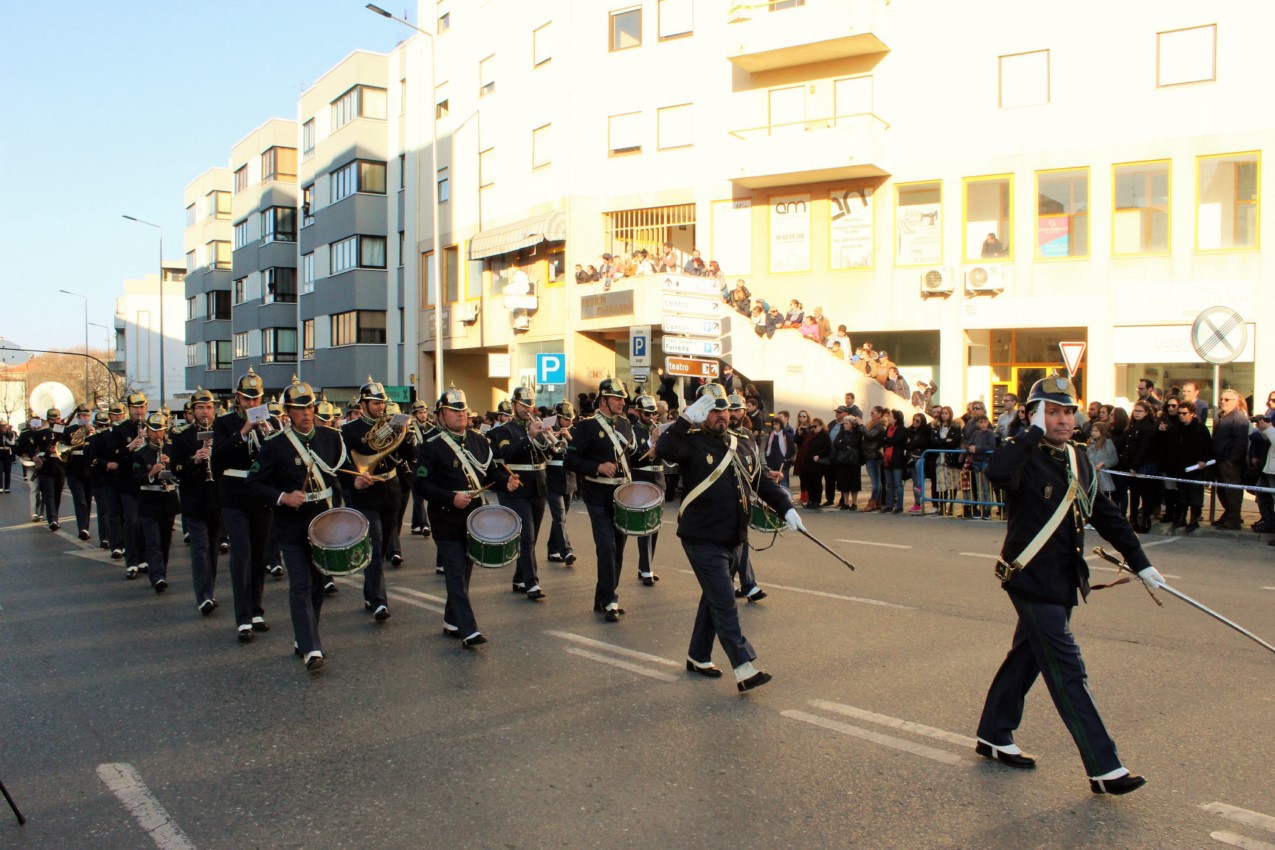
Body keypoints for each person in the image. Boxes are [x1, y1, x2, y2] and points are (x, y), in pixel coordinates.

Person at [976, 375, 1158, 796]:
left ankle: (993, 733)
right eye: (1052, 411)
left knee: (1027, 657)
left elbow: (1106, 515)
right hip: (1029, 579)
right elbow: (997, 473)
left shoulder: (1078, 459)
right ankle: (1104, 768)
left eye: (1067, 412)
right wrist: (1030, 431)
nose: (1063, 420)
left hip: (1062, 581)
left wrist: (1142, 563)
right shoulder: (1021, 453)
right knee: (1067, 669)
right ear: (1034, 414)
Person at [656, 383, 800, 692]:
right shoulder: (689, 443)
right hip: (702, 537)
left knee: (713, 598)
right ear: (701, 414)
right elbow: (664, 449)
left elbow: (759, 480)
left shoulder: (742, 442)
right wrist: (683, 420)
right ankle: (744, 667)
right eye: (712, 410)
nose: (720, 416)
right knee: (724, 601)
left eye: (723, 409)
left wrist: (786, 508)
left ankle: (698, 656)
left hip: (734, 536)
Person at [246, 378, 349, 671]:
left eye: (309, 407)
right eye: (298, 409)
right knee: (301, 584)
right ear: (287, 412)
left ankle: (305, 637)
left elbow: (339, 473)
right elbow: (254, 484)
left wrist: (358, 480)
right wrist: (281, 497)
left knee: (317, 584)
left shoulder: (331, 438)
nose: (306, 414)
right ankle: (312, 647)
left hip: (324, 522)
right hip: (292, 524)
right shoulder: (275, 445)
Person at [415, 385, 516, 647]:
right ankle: (468, 629)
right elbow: (421, 485)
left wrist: (507, 482)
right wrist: (451, 497)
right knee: (456, 573)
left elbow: (493, 473)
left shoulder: (480, 441)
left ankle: (451, 621)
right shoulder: (431, 446)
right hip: (446, 516)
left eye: (463, 410)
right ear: (441, 415)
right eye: (453, 411)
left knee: (465, 571)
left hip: (475, 517)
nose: (461, 415)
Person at [212, 368, 275, 642]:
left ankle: (256, 609)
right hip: (234, 497)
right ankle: (242, 618)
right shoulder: (225, 423)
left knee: (260, 554)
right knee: (241, 555)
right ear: (238, 399)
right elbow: (219, 459)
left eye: (256, 399)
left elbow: (276, 460)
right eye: (247, 400)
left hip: (259, 497)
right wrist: (244, 431)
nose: (252, 405)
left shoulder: (269, 423)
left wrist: (270, 436)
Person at [564, 378, 635, 622]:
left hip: (621, 496)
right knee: (607, 548)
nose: (622, 402)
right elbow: (570, 461)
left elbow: (632, 459)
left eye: (623, 398)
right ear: (603, 400)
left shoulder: (626, 425)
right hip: (597, 496)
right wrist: (597, 467)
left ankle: (603, 596)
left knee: (619, 549)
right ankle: (610, 600)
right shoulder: (587, 427)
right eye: (617, 398)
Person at [340, 377, 400, 623]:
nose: (380, 407)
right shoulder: (349, 430)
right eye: (375, 403)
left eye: (382, 402)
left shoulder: (392, 425)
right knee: (374, 547)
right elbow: (341, 465)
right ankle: (379, 601)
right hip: (366, 492)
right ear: (363, 404)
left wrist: (407, 436)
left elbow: (407, 455)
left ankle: (369, 592)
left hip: (390, 488)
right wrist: (353, 481)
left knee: (384, 544)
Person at [488, 386, 552, 601]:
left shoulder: (536, 425)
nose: (527, 409)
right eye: (523, 405)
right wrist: (529, 438)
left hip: (538, 485)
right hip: (519, 486)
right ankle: (532, 583)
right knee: (527, 536)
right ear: (514, 404)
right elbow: (506, 454)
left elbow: (549, 454)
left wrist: (548, 438)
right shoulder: (506, 430)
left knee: (531, 539)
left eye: (530, 404)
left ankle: (519, 577)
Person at [169, 388, 222, 614]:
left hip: (217, 498)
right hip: (194, 498)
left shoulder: (222, 432)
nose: (205, 412)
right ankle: (203, 596)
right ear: (192, 411)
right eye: (200, 408)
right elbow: (175, 467)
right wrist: (194, 460)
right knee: (200, 547)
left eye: (209, 407)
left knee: (213, 548)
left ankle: (209, 590)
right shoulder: (182, 434)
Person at [132, 411, 179, 594]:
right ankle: (156, 576)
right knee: (153, 541)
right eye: (154, 431)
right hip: (149, 500)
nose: (157, 434)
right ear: (147, 431)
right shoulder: (140, 453)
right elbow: (136, 478)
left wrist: (172, 464)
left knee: (165, 541)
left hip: (168, 499)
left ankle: (162, 573)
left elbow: (181, 472)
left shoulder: (171, 449)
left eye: (160, 430)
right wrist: (151, 473)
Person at [630, 395, 664, 587]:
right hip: (642, 480)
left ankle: (646, 564)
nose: (651, 416)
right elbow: (634, 457)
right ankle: (646, 568)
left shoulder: (658, 430)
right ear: (638, 411)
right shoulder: (634, 430)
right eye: (647, 413)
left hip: (659, 479)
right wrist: (651, 442)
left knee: (655, 525)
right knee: (645, 527)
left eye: (653, 413)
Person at [1168, 402, 1212, 532]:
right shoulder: (1176, 428)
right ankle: (1181, 518)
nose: (1181, 416)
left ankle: (1194, 520)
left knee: (1194, 495)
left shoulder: (1200, 428)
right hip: (1180, 467)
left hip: (1195, 468)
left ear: (1192, 413)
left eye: (1184, 413)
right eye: (1179, 413)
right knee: (1182, 495)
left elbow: (1208, 447)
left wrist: (1203, 461)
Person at [544, 401, 578, 566]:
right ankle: (566, 551)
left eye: (571, 418)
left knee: (561, 519)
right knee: (559, 516)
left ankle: (553, 549)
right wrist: (551, 436)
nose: (569, 422)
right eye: (566, 419)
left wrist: (569, 438)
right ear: (557, 417)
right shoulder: (548, 428)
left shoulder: (574, 431)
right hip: (552, 478)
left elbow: (580, 451)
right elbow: (545, 452)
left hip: (569, 479)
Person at [1211, 389, 1249, 529]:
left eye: (1227, 400)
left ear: (1236, 402)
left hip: (1230, 463)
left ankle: (1233, 519)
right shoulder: (1221, 416)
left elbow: (1241, 442)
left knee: (1231, 492)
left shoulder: (1238, 418)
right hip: (1219, 461)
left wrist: (1232, 461)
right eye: (1222, 399)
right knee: (1222, 491)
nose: (1223, 402)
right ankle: (1228, 514)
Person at [62, 404, 95, 540]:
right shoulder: (69, 430)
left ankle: (85, 527)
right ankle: (82, 528)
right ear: (78, 417)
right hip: (74, 469)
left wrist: (92, 434)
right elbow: (63, 446)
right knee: (80, 500)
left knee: (87, 500)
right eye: (82, 416)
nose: (85, 418)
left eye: (87, 416)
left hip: (89, 470)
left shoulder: (94, 430)